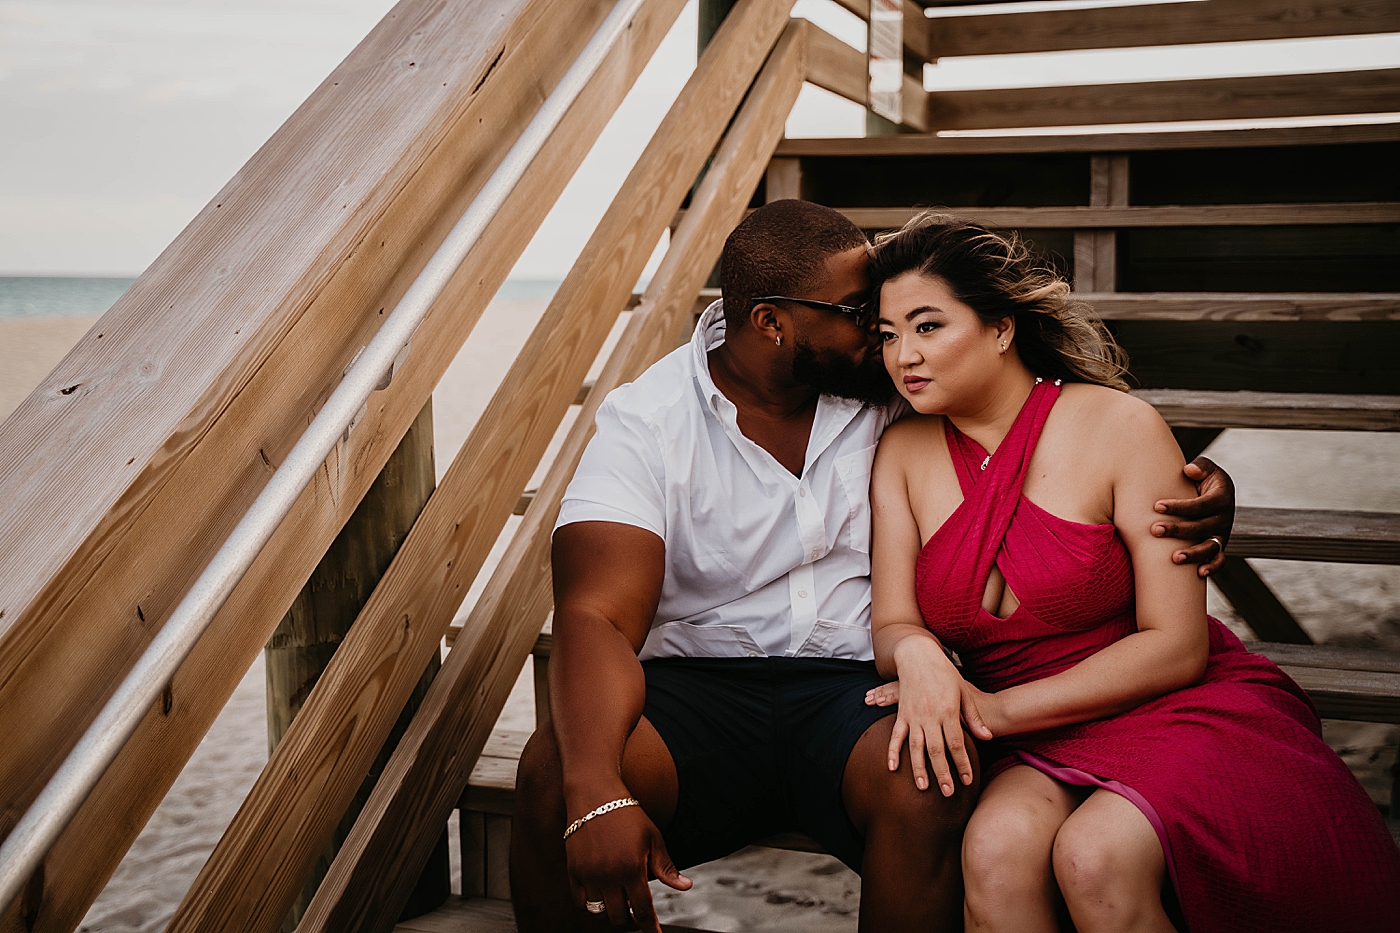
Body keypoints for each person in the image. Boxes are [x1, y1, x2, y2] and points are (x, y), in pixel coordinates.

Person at [509, 200, 1236, 933]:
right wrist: (595, 787)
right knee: (552, 778)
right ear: (772, 322)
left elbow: (1023, 411)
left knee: (929, 774)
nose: (884, 339)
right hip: (699, 691)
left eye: (895, 324)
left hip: (852, 691)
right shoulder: (648, 422)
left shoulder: (886, 386)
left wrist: (1193, 486)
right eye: (862, 314)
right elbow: (593, 613)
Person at [864, 214, 1400, 933]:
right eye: (889, 333)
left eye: (928, 326)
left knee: (1097, 856)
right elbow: (895, 620)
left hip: (1155, 701)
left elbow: (1177, 645)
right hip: (1032, 733)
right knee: (994, 851)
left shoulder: (1120, 426)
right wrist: (923, 656)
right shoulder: (902, 450)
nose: (904, 354)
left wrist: (992, 713)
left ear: (1000, 326)